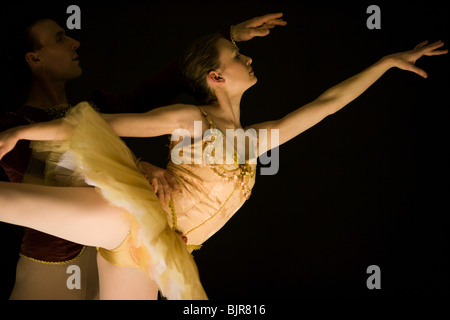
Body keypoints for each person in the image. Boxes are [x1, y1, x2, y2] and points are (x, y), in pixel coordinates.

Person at [0, 33, 446, 299]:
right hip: (132, 216)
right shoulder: (191, 119)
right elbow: (99, 125)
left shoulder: (252, 141)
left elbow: (326, 105)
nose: (248, 58)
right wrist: (19, 133)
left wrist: (385, 63)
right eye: (237, 55)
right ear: (215, 77)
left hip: (157, 256)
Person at [0, 10, 287, 300]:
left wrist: (228, 39)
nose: (74, 42)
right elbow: (52, 176)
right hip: (56, 263)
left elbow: (160, 90)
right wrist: (138, 167)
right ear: (34, 58)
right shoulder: (16, 124)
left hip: (122, 253)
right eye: (60, 38)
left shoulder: (97, 107)